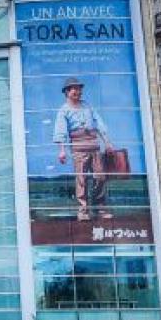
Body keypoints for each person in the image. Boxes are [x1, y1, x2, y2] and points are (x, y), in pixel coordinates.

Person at [53, 77, 114, 221]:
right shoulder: (63, 110)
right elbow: (60, 130)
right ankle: (83, 210)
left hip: (93, 144)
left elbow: (99, 123)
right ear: (67, 92)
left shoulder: (87, 106)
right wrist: (61, 150)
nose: (77, 91)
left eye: (79, 88)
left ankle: (100, 208)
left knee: (100, 177)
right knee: (81, 179)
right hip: (78, 147)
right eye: (74, 88)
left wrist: (107, 143)